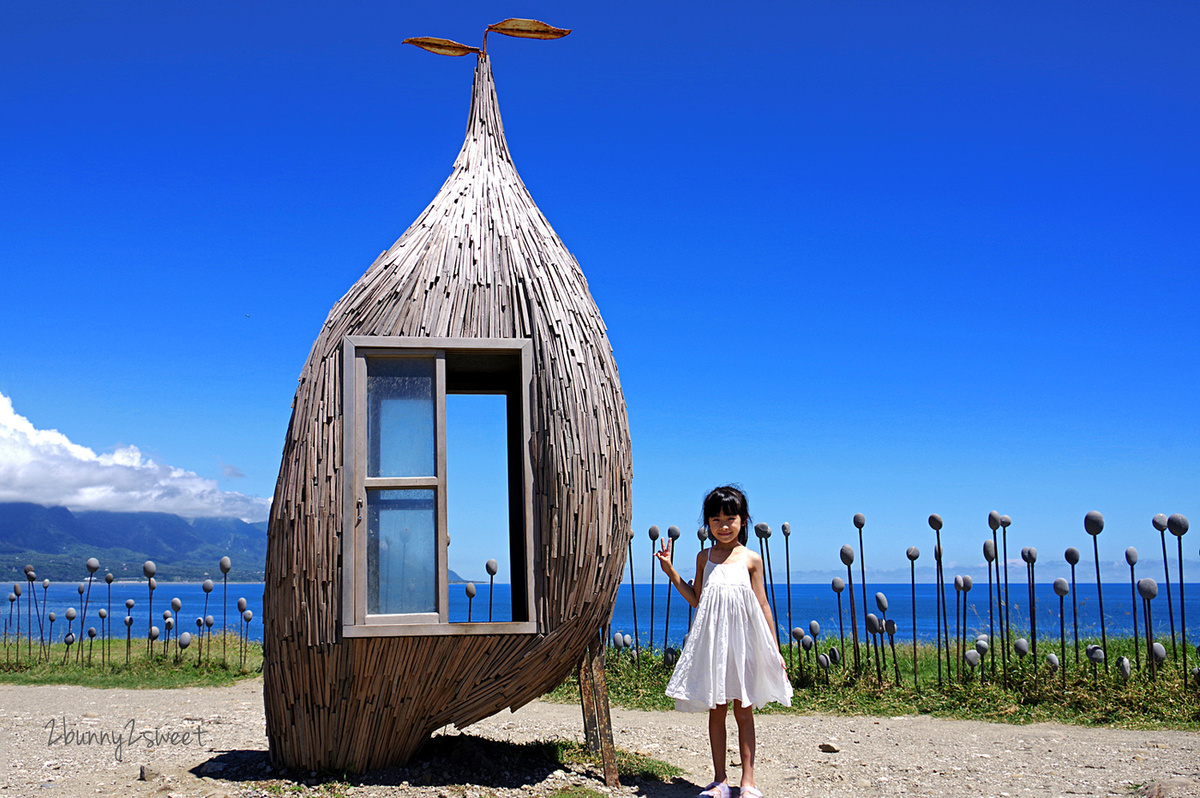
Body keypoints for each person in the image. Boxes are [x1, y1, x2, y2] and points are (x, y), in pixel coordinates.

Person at [654, 485, 792, 798]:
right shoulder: (704, 557)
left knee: (744, 712)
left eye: (730, 518)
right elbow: (697, 599)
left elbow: (763, 604)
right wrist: (670, 571)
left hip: (744, 646)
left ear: (743, 520)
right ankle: (719, 781)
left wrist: (774, 649)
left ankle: (748, 782)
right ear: (708, 524)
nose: (724, 525)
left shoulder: (752, 559)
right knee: (717, 711)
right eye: (716, 519)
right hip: (714, 647)